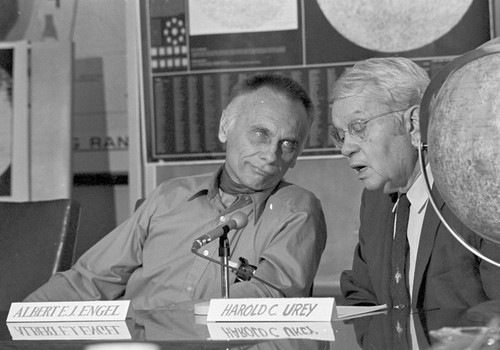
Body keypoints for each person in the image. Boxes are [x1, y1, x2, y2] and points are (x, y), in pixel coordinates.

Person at [25, 73, 327, 309]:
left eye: (288, 144)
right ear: (225, 128)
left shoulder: (296, 210)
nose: (272, 156)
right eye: (260, 134)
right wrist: (17, 325)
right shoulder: (168, 197)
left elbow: (266, 297)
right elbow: (89, 280)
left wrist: (170, 326)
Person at [329, 57, 500, 310]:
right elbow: (360, 294)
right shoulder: (375, 201)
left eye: (358, 127)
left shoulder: (476, 192)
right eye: (340, 134)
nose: (346, 148)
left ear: (412, 125)